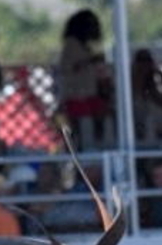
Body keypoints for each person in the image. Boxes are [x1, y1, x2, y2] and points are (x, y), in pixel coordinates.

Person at [58, 9, 112, 150]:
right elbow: (69, 68)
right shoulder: (71, 44)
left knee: (97, 126)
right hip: (76, 96)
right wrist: (91, 60)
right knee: (81, 133)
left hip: (88, 94)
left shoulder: (82, 45)